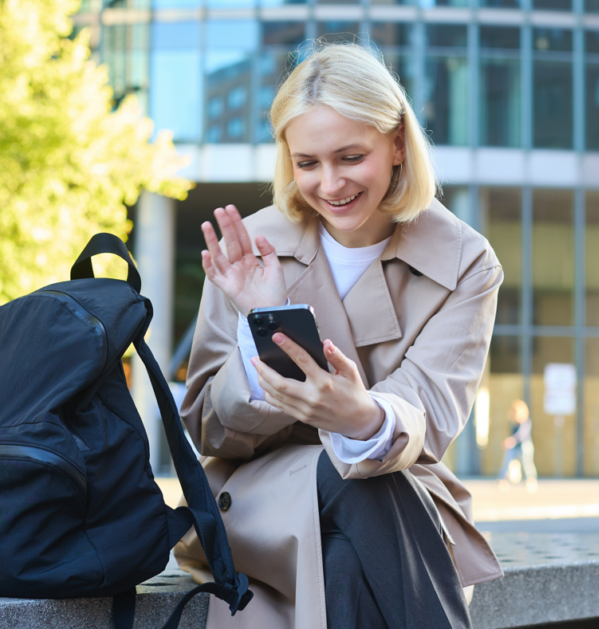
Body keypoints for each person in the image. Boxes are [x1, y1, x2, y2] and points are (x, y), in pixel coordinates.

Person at [174, 42, 504, 629]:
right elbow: (205, 426)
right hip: (260, 502)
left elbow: (428, 413)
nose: (330, 184)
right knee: (350, 486)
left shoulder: (464, 261)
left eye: (351, 156)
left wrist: (363, 421)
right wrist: (265, 328)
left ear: (397, 142)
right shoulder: (250, 249)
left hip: (398, 500)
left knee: (352, 545)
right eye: (307, 163)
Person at [497, 400, 538, 493]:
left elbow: (521, 435)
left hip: (524, 446)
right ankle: (503, 479)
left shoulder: (526, 422)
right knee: (507, 459)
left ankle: (530, 480)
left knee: (526, 463)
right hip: (515, 447)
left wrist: (512, 441)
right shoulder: (513, 423)